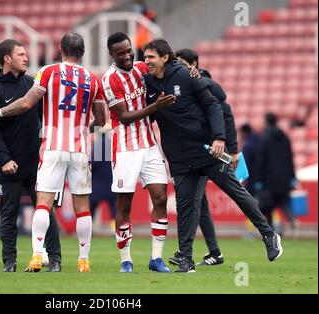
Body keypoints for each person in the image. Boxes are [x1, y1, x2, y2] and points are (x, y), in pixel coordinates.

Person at [143, 39, 282, 273]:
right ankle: (186, 259)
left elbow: (216, 102)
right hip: (179, 156)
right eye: (145, 57)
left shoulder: (187, 75)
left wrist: (220, 139)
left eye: (151, 57)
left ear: (165, 57)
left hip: (207, 149)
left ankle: (269, 235)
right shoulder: (147, 83)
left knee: (236, 192)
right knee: (185, 208)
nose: (147, 62)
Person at [0, 32, 107, 273]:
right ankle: (83, 260)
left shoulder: (48, 72)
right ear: (82, 52)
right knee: (83, 206)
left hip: (52, 147)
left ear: (61, 49)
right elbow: (101, 120)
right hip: (80, 150)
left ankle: (38, 256)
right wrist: (83, 128)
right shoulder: (93, 79)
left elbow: (27, 103)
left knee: (43, 204)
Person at [0, 39, 62, 273]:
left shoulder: (32, 84)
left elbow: (43, 118)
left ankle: (55, 260)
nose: (26, 58)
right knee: (9, 215)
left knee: (46, 211)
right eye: (21, 54)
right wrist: (4, 159)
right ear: (7, 59)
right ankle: (9, 262)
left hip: (36, 163)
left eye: (26, 54)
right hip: (8, 165)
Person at [102, 32, 176, 273]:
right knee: (124, 205)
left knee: (161, 198)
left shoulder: (143, 68)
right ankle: (126, 260)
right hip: (124, 149)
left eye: (128, 50)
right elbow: (123, 117)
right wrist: (154, 106)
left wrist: (192, 71)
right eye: (120, 53)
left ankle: (156, 258)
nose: (127, 56)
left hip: (149, 145)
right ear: (111, 55)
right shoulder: (110, 80)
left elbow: (170, 66)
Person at [167, 48, 240, 267]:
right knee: (201, 205)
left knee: (195, 203)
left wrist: (233, 149)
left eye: (181, 63)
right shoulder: (185, 84)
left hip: (208, 152)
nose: (176, 67)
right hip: (194, 152)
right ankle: (214, 252)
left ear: (194, 64)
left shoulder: (204, 84)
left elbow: (226, 114)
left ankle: (186, 252)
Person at [255, 113, 297, 232]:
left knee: (267, 207)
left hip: (269, 179)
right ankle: (293, 224)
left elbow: (261, 160)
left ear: (267, 122)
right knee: (284, 203)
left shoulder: (264, 139)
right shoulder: (285, 138)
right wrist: (292, 176)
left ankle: (271, 230)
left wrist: (258, 179)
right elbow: (290, 158)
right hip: (284, 178)